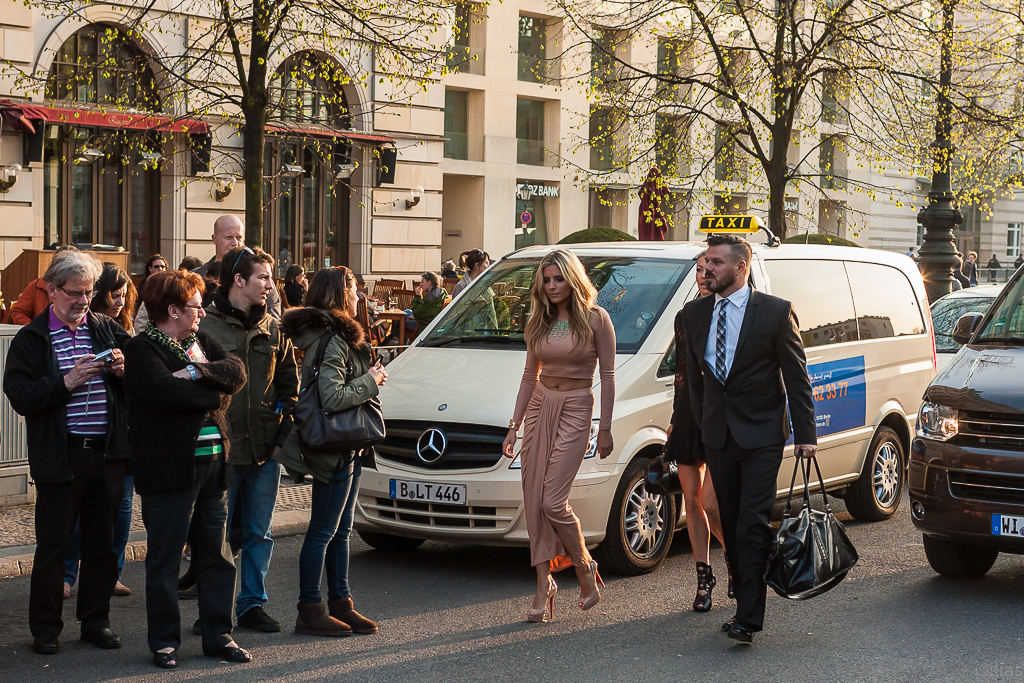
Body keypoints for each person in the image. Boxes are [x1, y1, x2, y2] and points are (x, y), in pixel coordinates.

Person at [680, 234, 816, 645]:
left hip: (762, 435)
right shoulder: (693, 314)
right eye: (706, 262)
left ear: (741, 268)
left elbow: (796, 376)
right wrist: (701, 427)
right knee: (730, 519)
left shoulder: (775, 312)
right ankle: (745, 592)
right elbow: (694, 383)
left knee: (752, 522)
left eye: (717, 263)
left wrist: (806, 434)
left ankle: (748, 617)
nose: (708, 269)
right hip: (718, 435)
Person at [3, 249, 131, 655]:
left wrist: (125, 372)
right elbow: (20, 395)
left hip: (107, 455)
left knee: (102, 545)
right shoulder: (32, 337)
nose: (83, 300)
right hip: (61, 457)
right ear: (52, 290)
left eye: (89, 292)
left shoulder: (105, 329)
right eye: (75, 292)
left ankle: (95, 622)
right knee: (53, 548)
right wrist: (67, 381)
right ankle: (45, 628)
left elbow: (144, 376)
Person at [123, 270, 249, 669]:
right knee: (165, 559)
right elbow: (165, 393)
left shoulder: (200, 343)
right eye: (196, 306)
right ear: (173, 310)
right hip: (170, 472)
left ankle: (219, 635)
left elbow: (237, 373)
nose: (203, 312)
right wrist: (215, 393)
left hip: (215, 467)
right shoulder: (142, 350)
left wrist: (197, 372)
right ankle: (164, 642)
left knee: (218, 556)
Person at [501, 248, 615, 622]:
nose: (552, 286)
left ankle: (584, 566)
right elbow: (527, 376)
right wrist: (514, 426)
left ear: (573, 279)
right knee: (534, 499)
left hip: (577, 407)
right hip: (539, 406)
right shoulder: (539, 320)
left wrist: (606, 427)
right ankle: (543, 583)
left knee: (552, 500)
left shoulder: (596, 319)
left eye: (559, 278)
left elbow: (608, 376)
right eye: (546, 280)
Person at [279, 267, 385, 637]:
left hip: (348, 445)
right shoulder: (333, 340)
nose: (360, 296)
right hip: (334, 447)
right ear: (340, 294)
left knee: (341, 530)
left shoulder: (338, 336)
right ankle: (310, 609)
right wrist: (371, 380)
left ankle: (342, 603)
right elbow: (332, 397)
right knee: (323, 530)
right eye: (355, 289)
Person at [200, 246, 299, 634]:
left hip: (264, 450)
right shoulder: (205, 326)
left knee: (259, 532)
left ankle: (252, 604)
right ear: (238, 280)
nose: (270, 285)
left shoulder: (275, 328)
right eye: (263, 277)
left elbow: (291, 388)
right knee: (218, 535)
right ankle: (214, 609)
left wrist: (281, 439)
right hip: (220, 451)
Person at [62, 264, 139, 602]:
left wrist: (125, 369)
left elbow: (144, 372)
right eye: (113, 295)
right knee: (77, 515)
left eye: (124, 295)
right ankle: (67, 573)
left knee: (121, 509)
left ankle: (112, 574)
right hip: (82, 441)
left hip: (121, 437)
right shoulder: (81, 326)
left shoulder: (124, 328)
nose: (119, 302)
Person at [667, 251, 729, 612]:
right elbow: (682, 371)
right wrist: (676, 418)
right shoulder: (686, 315)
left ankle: (737, 563)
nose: (704, 276)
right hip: (690, 413)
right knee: (690, 500)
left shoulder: (733, 311)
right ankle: (704, 579)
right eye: (699, 270)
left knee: (711, 503)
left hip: (720, 415)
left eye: (710, 269)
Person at [193, 214, 282, 319]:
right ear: (214, 239)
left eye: (239, 238)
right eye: (229, 237)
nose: (235, 243)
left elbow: (273, 316)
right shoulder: (196, 276)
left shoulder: (261, 277)